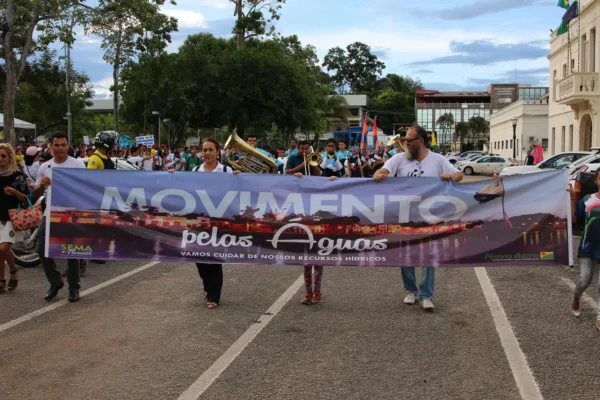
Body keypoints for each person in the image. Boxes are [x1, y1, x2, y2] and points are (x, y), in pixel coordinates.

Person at [374, 125, 463, 311]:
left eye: (409, 140)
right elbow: (383, 171)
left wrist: (452, 176)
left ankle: (426, 295)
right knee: (406, 254)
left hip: (431, 216)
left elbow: (458, 174)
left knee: (429, 255)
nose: (405, 143)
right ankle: (410, 290)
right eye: (404, 140)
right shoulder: (399, 158)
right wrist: (380, 175)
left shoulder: (438, 159)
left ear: (420, 142)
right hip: (405, 215)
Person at [34, 132, 86, 302]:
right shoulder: (44, 167)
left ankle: (73, 288)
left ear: (68, 146)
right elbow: (36, 193)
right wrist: (41, 185)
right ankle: (55, 282)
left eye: (63, 145)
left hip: (71, 212)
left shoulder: (77, 165)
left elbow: (86, 188)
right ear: (51, 147)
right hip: (50, 212)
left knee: (71, 251)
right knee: (42, 249)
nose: (60, 148)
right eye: (56, 145)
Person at [188, 138, 240, 308]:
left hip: (219, 219)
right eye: (205, 150)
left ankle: (214, 296)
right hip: (199, 219)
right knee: (199, 257)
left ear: (218, 152)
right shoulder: (195, 170)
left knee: (214, 257)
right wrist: (173, 176)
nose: (207, 153)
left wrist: (239, 179)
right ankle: (207, 285)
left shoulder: (226, 170)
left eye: (211, 150)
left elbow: (236, 191)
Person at [571, 169, 600, 331]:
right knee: (585, 279)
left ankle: (599, 317)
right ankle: (576, 296)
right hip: (588, 247)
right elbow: (575, 219)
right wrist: (570, 198)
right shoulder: (587, 200)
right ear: (596, 180)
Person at [0, 144, 30, 293]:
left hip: (11, 217)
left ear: (10, 157)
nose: (0, 159)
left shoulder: (18, 176)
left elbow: (26, 198)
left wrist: (14, 192)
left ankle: (13, 270)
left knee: (3, 248)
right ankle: (1, 281)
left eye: (3, 156)